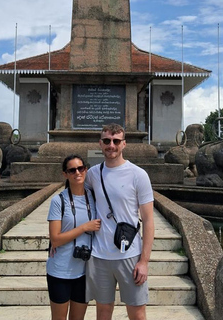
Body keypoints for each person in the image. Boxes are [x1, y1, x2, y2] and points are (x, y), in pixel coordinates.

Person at [85, 123, 155, 320]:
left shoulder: (138, 175)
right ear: (100, 143)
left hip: (129, 255)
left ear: (124, 144)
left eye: (116, 141)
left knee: (137, 312)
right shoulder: (93, 174)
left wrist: (144, 261)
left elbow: (148, 220)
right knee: (103, 311)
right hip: (99, 256)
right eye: (107, 141)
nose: (111, 145)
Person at [46, 154, 101, 320]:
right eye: (72, 170)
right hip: (60, 270)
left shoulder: (94, 197)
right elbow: (55, 239)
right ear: (65, 174)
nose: (77, 172)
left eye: (81, 168)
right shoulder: (58, 201)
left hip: (84, 271)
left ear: (86, 170)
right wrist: (85, 227)